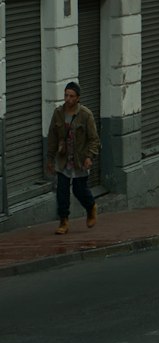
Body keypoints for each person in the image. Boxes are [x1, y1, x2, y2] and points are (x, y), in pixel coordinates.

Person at [46, 81, 100, 235]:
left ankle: (91, 207)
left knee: (79, 189)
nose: (68, 98)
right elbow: (52, 138)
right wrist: (50, 159)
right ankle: (63, 221)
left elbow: (94, 139)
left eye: (71, 96)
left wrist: (89, 156)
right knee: (61, 190)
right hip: (63, 159)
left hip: (79, 160)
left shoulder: (85, 115)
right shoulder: (58, 113)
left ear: (78, 98)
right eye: (66, 95)